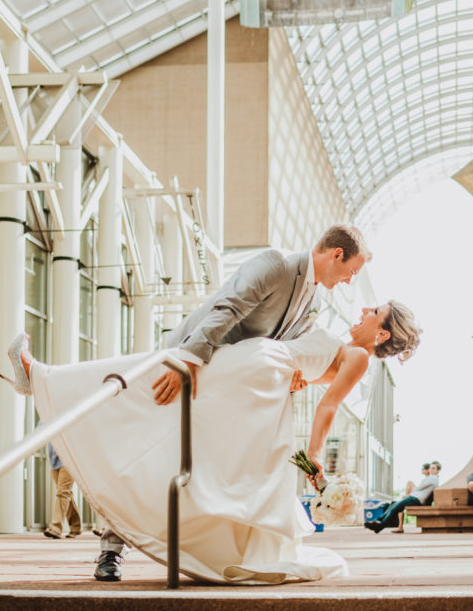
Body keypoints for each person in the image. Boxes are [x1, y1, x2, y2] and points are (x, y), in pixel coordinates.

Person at [7, 301, 421, 584]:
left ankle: (47, 379)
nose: (365, 311)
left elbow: (328, 405)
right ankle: (48, 381)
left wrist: (314, 459)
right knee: (164, 401)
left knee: (150, 379)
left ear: (382, 334)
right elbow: (312, 374)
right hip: (261, 376)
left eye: (375, 312)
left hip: (257, 370)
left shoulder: (360, 356)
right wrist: (299, 377)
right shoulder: (350, 351)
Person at [104, 224, 371, 581]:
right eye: (352, 272)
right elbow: (226, 307)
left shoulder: (315, 303)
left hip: (230, 393)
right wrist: (189, 359)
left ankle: (196, 550)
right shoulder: (275, 264)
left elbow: (284, 348)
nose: (350, 281)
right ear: (336, 255)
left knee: (195, 466)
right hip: (193, 364)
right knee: (149, 451)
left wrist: (294, 374)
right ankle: (111, 549)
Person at [364, 461, 441, 534]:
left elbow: (418, 488)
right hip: (414, 497)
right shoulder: (430, 478)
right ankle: (378, 521)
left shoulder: (433, 479)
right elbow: (418, 489)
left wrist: (413, 489)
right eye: (430, 468)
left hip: (416, 499)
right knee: (393, 506)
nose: (431, 469)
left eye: (434, 468)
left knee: (395, 508)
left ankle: (379, 526)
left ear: (438, 470)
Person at [44, 442, 81, 539]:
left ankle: (56, 528)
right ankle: (75, 526)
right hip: (54, 462)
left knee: (62, 493)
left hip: (69, 461)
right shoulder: (44, 425)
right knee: (65, 493)